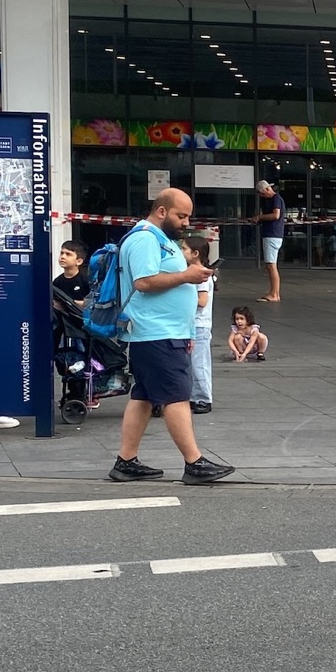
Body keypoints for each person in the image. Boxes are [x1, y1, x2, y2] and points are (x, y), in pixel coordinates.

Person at [108, 188, 232, 485]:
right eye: (181, 215)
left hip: (162, 331)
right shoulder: (145, 239)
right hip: (156, 332)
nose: (185, 222)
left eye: (188, 216)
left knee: (144, 396)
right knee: (177, 395)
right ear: (161, 211)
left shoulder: (161, 240)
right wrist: (187, 276)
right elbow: (145, 281)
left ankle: (126, 461)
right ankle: (194, 462)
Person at [187, 244, 215, 414]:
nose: (181, 252)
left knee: (199, 363)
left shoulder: (201, 275)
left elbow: (202, 301)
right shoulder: (191, 274)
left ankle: (203, 398)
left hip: (200, 325)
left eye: (184, 249)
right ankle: (193, 396)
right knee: (190, 364)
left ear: (195, 253)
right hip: (191, 324)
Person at [254, 180, 286, 303]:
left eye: (262, 193)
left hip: (272, 235)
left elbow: (275, 215)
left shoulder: (276, 199)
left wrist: (260, 217)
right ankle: (274, 292)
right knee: (271, 265)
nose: (262, 196)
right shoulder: (274, 199)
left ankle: (274, 293)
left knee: (271, 265)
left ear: (267, 190)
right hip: (273, 234)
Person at [53, 240, 93, 308]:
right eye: (62, 253)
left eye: (68, 254)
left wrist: (72, 302)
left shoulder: (87, 281)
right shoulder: (57, 282)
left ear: (79, 261)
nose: (63, 257)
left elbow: (92, 303)